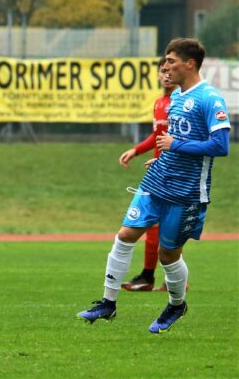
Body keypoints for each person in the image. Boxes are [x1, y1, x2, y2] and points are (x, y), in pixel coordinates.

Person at [77, 38, 230, 334]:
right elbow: (172, 142)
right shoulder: (173, 98)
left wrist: (177, 145)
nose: (166, 67)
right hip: (157, 181)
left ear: (189, 63)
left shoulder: (210, 98)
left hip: (186, 191)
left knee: (168, 255)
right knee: (125, 235)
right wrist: (165, 155)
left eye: (171, 61)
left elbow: (221, 146)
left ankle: (176, 304)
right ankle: (108, 303)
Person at [118, 56, 179, 292]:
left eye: (168, 70)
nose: (165, 75)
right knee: (157, 226)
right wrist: (136, 150)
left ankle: (153, 277)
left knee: (162, 225)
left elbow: (179, 139)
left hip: (170, 171)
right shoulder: (159, 102)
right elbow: (157, 136)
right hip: (157, 170)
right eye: (161, 71)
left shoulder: (180, 102)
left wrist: (165, 159)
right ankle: (152, 277)